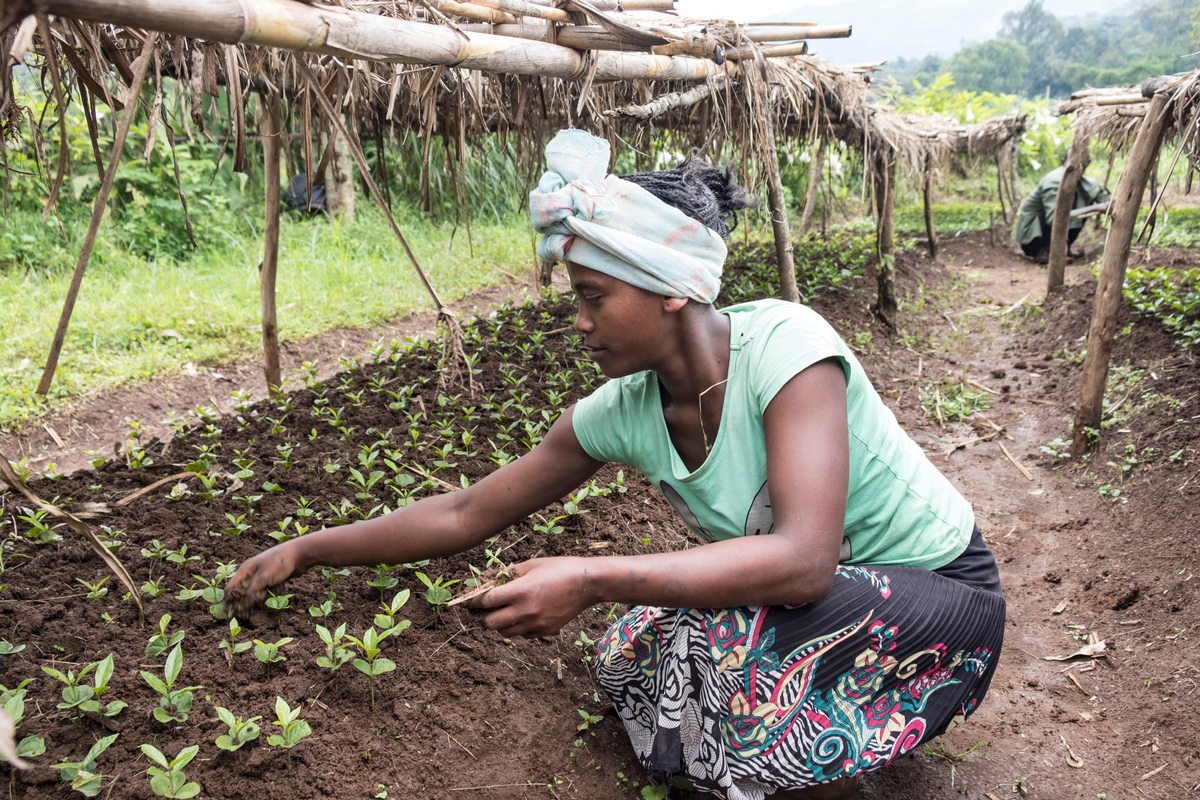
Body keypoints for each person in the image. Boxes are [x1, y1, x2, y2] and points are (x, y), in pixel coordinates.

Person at [227, 129, 1006, 800]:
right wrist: (306, 549)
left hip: (942, 596)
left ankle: (824, 745)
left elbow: (802, 564)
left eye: (595, 296)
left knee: (722, 658)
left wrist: (590, 574)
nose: (580, 322)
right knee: (629, 651)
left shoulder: (787, 350)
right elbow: (468, 512)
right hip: (831, 600)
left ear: (671, 289)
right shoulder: (621, 411)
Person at [1014, 164, 1111, 262]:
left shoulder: (1083, 181)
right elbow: (1053, 218)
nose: (1080, 166)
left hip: (1053, 229)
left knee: (1082, 202)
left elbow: (1103, 197)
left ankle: (1065, 248)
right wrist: (1094, 208)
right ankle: (1044, 251)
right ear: (1064, 162)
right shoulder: (1053, 180)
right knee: (1056, 210)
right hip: (1032, 240)